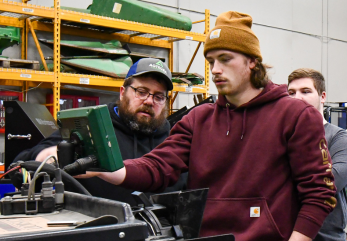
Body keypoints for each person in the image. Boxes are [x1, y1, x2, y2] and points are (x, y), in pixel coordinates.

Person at [78, 11, 337, 241]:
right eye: (211, 61)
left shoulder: (296, 115)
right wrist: (107, 167)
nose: (215, 70)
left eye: (225, 59)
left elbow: (320, 194)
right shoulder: (198, 119)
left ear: (252, 61)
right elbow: (159, 167)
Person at [13, 58, 187, 205]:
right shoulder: (91, 127)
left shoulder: (172, 142)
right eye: (141, 92)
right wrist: (46, 156)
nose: (149, 101)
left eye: (158, 97)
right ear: (122, 92)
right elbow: (20, 169)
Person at [288, 68, 347, 241]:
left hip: (327, 236)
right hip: (287, 233)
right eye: (291, 92)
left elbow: (332, 181)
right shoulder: (282, 137)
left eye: (305, 91)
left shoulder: (338, 137)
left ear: (322, 97)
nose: (297, 97)